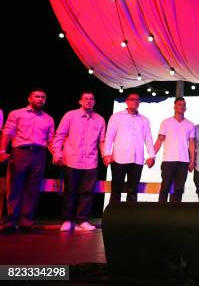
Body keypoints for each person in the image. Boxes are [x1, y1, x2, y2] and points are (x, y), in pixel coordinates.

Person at [0, 89, 55, 233]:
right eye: (37, 96)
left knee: (33, 190)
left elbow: (50, 140)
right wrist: (2, 151)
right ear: (29, 99)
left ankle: (27, 223)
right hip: (20, 152)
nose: (40, 99)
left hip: (39, 154)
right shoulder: (17, 114)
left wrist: (57, 154)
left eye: (43, 97)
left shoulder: (48, 119)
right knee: (15, 187)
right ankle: (10, 223)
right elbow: (8, 132)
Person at [52, 91, 106, 232]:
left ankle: (82, 220)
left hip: (91, 161)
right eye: (86, 99)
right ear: (80, 101)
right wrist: (57, 152)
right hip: (72, 159)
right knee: (70, 191)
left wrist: (105, 155)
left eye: (91, 99)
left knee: (88, 192)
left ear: (94, 102)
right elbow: (60, 135)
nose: (89, 101)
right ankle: (67, 220)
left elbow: (102, 141)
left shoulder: (99, 119)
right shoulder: (71, 115)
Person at [104, 92, 155, 203]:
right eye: (132, 99)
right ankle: (114, 218)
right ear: (126, 101)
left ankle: (130, 219)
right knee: (116, 190)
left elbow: (148, 139)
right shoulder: (116, 117)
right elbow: (109, 136)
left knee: (132, 192)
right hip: (119, 159)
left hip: (137, 160)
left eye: (137, 100)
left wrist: (152, 156)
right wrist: (106, 154)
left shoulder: (144, 120)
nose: (135, 101)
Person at [154, 97, 195, 203]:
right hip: (168, 160)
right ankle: (160, 213)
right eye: (179, 104)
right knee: (165, 187)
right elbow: (159, 140)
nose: (182, 107)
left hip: (183, 161)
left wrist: (192, 161)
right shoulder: (166, 122)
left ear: (185, 108)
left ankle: (175, 214)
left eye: (183, 105)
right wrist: (152, 155)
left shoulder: (190, 124)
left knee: (179, 189)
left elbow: (191, 143)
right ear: (174, 106)